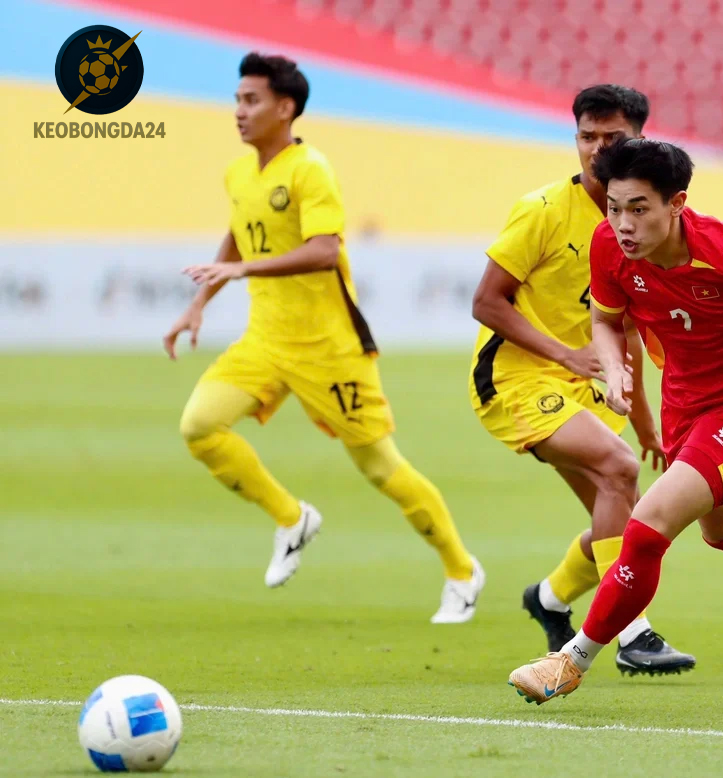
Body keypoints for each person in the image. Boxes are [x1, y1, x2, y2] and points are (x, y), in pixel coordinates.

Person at [508, 137, 723, 704]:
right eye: (614, 207)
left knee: (648, 524)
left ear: (677, 204)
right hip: (684, 405)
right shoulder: (609, 243)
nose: (623, 224)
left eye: (639, 208)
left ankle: (570, 661)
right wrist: (615, 368)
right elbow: (606, 319)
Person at [164, 53, 484, 623]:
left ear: (285, 108)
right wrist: (198, 304)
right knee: (199, 426)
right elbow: (239, 234)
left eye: (251, 100)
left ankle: (462, 570)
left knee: (381, 467)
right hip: (265, 341)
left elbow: (323, 251)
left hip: (329, 349)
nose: (239, 111)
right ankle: (292, 519)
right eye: (237, 99)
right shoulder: (239, 174)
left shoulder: (310, 169)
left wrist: (241, 270)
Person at [471, 86, 695, 675]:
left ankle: (549, 598)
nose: (596, 149)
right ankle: (631, 636)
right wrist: (565, 355)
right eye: (586, 136)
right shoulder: (544, 210)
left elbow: (627, 333)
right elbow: (486, 302)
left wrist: (646, 425)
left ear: (639, 140)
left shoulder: (641, 224)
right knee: (618, 472)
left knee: (625, 514)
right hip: (516, 378)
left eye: (611, 138)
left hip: (583, 381)